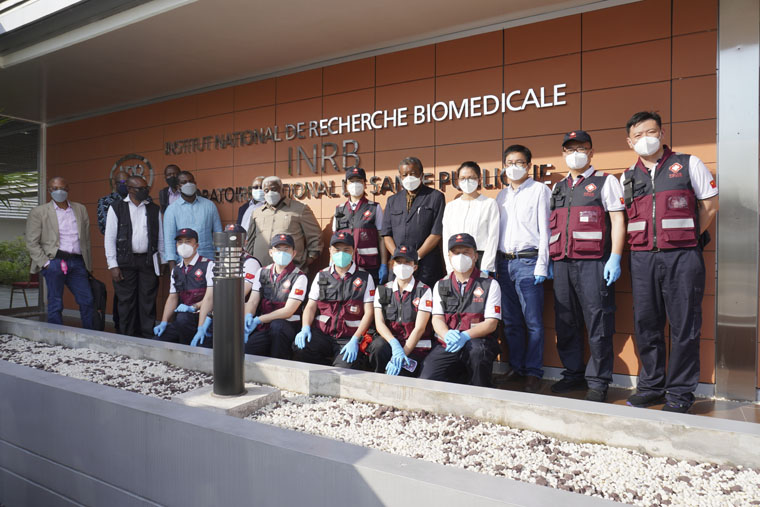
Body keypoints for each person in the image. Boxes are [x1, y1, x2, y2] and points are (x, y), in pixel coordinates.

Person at [621, 111, 718, 413]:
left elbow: (710, 206)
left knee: (684, 325)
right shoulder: (627, 176)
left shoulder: (688, 164)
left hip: (682, 257)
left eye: (651, 132)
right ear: (629, 142)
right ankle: (651, 387)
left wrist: (684, 237)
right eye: (638, 135)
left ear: (662, 134)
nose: (645, 139)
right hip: (642, 259)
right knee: (646, 324)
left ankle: (679, 392)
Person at [548, 131, 626, 402]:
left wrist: (615, 257)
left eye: (581, 148)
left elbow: (618, 220)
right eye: (570, 149)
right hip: (562, 263)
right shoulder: (558, 187)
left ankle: (598, 381)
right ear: (563, 154)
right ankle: (573, 373)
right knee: (565, 320)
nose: (575, 154)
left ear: (591, 152)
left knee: (598, 321)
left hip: (594, 263)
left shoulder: (606, 181)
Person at [496, 145, 551, 393]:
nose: (514, 167)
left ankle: (533, 372)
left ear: (528, 165)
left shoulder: (540, 190)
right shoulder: (501, 196)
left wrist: (542, 264)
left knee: (533, 322)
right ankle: (516, 367)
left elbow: (546, 230)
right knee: (510, 322)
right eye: (509, 163)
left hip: (529, 262)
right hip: (504, 263)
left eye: (519, 162)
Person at [419, 233, 501, 386]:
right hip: (448, 343)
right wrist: (446, 334)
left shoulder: (490, 284)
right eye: (456, 253)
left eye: (466, 252)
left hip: (477, 342)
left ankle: (480, 390)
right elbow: (437, 318)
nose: (461, 257)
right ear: (449, 257)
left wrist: (465, 336)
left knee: (478, 354)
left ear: (475, 256)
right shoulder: (441, 284)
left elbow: (491, 323)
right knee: (427, 379)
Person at [292, 232, 375, 368]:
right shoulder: (321, 275)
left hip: (348, 338)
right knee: (301, 349)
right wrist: (305, 328)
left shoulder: (365, 277)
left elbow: (369, 312)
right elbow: (310, 306)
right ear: (330, 251)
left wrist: (355, 339)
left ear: (353, 251)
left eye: (346, 250)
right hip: (322, 334)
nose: (341, 254)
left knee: (344, 369)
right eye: (337, 250)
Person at [25, 176, 95, 329]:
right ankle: (55, 336)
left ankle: (91, 335)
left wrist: (87, 264)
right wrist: (46, 263)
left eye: (62, 188)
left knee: (87, 300)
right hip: (54, 262)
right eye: (55, 189)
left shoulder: (80, 209)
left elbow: (86, 239)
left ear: (68, 189)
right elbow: (32, 242)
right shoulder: (39, 212)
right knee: (55, 302)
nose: (59, 191)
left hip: (77, 262)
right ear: (49, 190)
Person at [104, 175, 164, 338]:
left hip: (148, 261)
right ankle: (127, 337)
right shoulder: (116, 208)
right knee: (126, 302)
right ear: (130, 189)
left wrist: (162, 261)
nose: (145, 191)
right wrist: (113, 265)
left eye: (146, 188)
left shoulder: (153, 209)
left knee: (148, 301)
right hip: (125, 262)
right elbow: (109, 238)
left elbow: (160, 238)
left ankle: (147, 336)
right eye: (141, 189)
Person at [368, 245, 434, 377]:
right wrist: (394, 345)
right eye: (398, 262)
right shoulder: (383, 290)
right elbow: (380, 323)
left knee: (400, 375)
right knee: (378, 346)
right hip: (392, 344)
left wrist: (402, 353)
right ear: (392, 265)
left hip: (414, 348)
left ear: (415, 267)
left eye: (407, 262)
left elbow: (419, 328)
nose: (402, 266)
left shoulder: (424, 291)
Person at [381, 156, 446, 288]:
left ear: (421, 175)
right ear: (400, 176)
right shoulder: (392, 200)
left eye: (413, 173)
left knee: (425, 298)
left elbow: (436, 233)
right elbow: (386, 234)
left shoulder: (435, 197)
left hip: (426, 264)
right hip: (399, 266)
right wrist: (399, 258)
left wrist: (415, 257)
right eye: (405, 175)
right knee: (398, 298)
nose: (409, 178)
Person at [243, 233, 307, 359]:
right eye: (278, 249)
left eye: (286, 249)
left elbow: (288, 311)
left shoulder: (299, 277)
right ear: (271, 252)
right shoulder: (262, 272)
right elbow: (252, 301)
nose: (282, 253)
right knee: (249, 348)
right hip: (265, 326)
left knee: (278, 327)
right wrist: (248, 316)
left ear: (293, 253)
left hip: (286, 326)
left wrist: (259, 319)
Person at [245, 176, 323, 271]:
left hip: (291, 271)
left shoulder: (300, 209)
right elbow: (251, 240)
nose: (270, 193)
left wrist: (308, 260)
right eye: (266, 190)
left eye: (274, 189)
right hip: (261, 270)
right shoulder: (257, 213)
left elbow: (315, 237)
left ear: (282, 189)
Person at [154, 228, 214, 347]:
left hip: (204, 318)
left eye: (188, 241)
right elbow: (172, 297)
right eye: (180, 242)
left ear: (196, 245)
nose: (183, 245)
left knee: (184, 322)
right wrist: (164, 321)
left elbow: (210, 298)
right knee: (159, 340)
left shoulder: (208, 265)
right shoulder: (176, 270)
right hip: (184, 320)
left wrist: (201, 327)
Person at [441, 161, 500, 275]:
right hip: (456, 259)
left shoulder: (489, 204)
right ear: (458, 181)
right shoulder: (451, 207)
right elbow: (446, 238)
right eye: (463, 178)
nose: (467, 182)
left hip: (481, 259)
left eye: (471, 178)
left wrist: (487, 266)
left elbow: (493, 237)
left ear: (479, 179)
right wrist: (449, 266)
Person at [332, 167, 388, 285]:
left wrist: (384, 263)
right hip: (345, 266)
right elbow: (333, 242)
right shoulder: (339, 209)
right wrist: (331, 263)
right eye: (352, 181)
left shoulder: (374, 208)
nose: (355, 184)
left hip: (369, 266)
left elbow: (381, 238)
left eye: (359, 181)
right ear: (346, 185)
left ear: (365, 184)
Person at [163, 170, 222, 271]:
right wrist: (173, 270)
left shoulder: (209, 205)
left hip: (208, 261)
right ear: (178, 187)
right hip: (184, 263)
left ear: (195, 183)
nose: (188, 184)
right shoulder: (171, 210)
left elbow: (218, 235)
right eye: (184, 182)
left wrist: (220, 262)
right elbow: (169, 242)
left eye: (191, 181)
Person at [96, 169, 129, 332]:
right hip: (118, 254)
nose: (124, 185)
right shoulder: (105, 201)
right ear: (114, 184)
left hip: (138, 255)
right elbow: (105, 228)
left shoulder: (139, 199)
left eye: (126, 182)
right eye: (121, 182)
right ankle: (119, 325)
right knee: (121, 292)